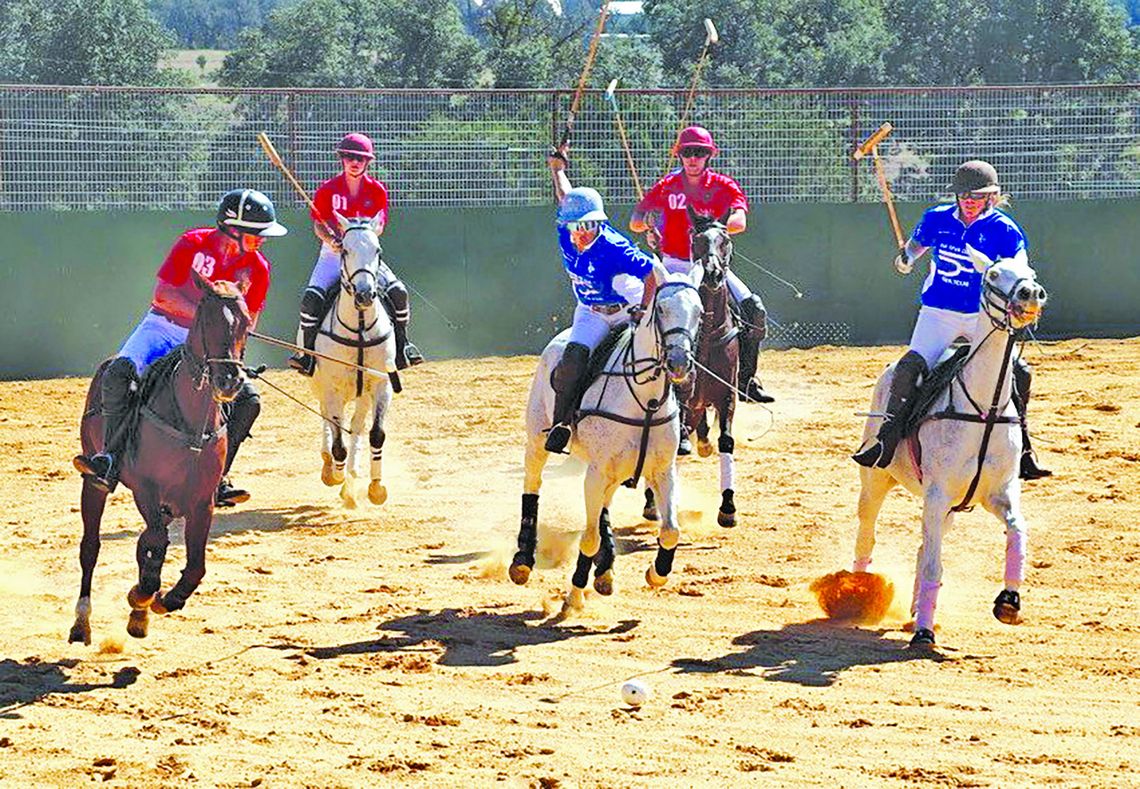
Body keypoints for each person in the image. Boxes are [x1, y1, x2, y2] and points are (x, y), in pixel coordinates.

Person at [73, 189, 286, 504]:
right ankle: (109, 459)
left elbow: (248, 321)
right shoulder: (193, 244)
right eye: (257, 234)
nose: (263, 240)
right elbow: (162, 296)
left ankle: (216, 477)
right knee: (120, 374)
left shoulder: (258, 268)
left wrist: (230, 347)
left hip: (212, 346)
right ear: (233, 229)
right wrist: (206, 317)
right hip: (163, 328)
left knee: (248, 401)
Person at [852, 160, 1051, 480]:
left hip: (982, 319)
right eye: (963, 196)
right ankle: (886, 439)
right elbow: (916, 246)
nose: (969, 202)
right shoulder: (937, 218)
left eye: (976, 197)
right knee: (909, 368)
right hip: (938, 313)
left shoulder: (1005, 229)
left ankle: (1024, 447)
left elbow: (1021, 267)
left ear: (992, 197)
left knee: (1018, 371)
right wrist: (907, 258)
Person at [629, 125, 774, 404]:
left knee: (754, 309)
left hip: (711, 266)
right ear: (679, 155)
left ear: (709, 156)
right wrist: (650, 223)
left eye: (699, 153)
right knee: (645, 317)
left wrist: (713, 230)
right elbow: (635, 220)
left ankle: (746, 380)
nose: (692, 158)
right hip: (674, 266)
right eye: (687, 153)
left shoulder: (724, 186)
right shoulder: (666, 186)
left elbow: (740, 221)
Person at [544, 144, 667, 454]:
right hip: (591, 311)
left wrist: (642, 309)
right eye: (577, 225)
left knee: (656, 357)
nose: (582, 232)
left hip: (627, 310)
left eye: (589, 224)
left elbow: (652, 273)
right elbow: (565, 197)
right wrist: (557, 170)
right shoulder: (565, 228)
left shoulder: (614, 246)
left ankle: (683, 420)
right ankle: (561, 426)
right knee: (571, 360)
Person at [289, 132, 422, 375]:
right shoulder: (328, 189)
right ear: (342, 159)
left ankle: (403, 346)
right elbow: (318, 224)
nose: (354, 162)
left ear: (368, 162)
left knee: (399, 293)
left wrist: (361, 238)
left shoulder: (377, 191)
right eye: (349, 156)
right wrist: (331, 239)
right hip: (333, 254)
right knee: (311, 299)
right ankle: (307, 356)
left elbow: (379, 225)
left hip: (364, 256)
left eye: (360, 158)